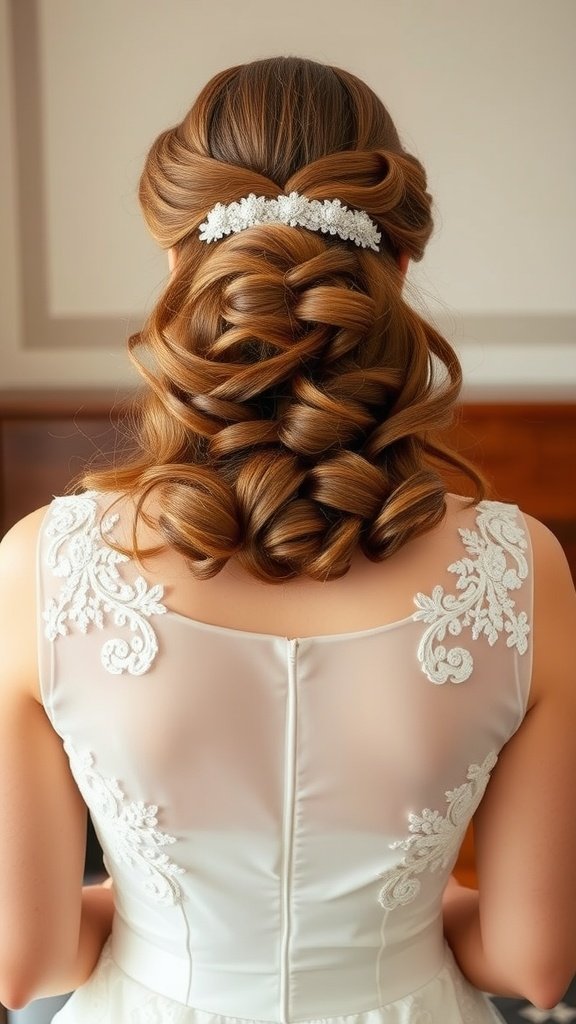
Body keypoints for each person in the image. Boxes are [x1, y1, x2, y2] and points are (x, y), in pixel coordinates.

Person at [0, 56, 574, 1024]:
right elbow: (533, 963)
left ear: (180, 260)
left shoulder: (41, 567)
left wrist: (165, 920)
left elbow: (31, 960)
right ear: (395, 268)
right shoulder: (521, 570)